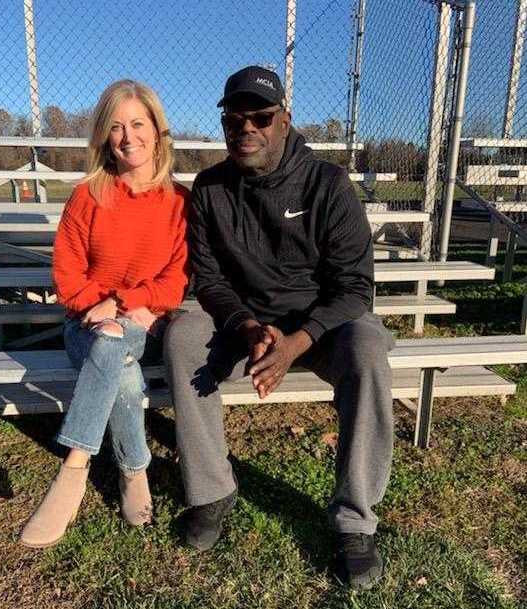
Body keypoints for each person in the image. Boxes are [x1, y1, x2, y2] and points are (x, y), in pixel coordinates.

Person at [163, 66, 394, 589]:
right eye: (233, 119)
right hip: (243, 323)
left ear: (284, 121)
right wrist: (246, 326)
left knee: (368, 349)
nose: (246, 128)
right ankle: (211, 491)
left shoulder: (328, 184)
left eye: (261, 117)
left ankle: (354, 520)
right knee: (181, 337)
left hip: (322, 325)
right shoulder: (210, 188)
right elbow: (210, 279)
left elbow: (355, 288)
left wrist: (298, 340)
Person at [20, 80, 189, 548]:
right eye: (115, 128)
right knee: (121, 364)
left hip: (144, 322)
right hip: (84, 326)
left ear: (157, 131)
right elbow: (68, 275)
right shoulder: (87, 196)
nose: (127, 136)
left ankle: (74, 466)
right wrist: (102, 310)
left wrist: (123, 304)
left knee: (119, 339)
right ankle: (133, 474)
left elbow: (176, 280)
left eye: (137, 124)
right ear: (103, 138)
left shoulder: (179, 202)